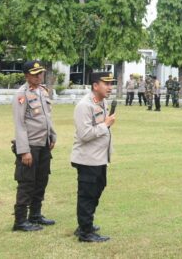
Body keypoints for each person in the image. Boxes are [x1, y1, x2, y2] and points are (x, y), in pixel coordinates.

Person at [11, 60, 57, 232]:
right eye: (35, 73)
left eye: (41, 73)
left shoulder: (42, 91)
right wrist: (24, 151)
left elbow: (47, 117)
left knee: (41, 180)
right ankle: (20, 220)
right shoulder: (21, 94)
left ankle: (35, 215)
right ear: (26, 75)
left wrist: (52, 135)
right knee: (27, 183)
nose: (39, 76)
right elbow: (20, 123)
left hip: (44, 144)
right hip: (30, 146)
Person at [71, 71, 116, 242]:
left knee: (97, 189)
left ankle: (84, 224)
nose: (110, 87)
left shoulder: (101, 102)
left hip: (99, 158)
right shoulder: (84, 105)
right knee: (87, 194)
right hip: (87, 158)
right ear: (95, 85)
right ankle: (85, 232)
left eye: (111, 84)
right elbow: (85, 134)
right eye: (107, 84)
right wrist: (106, 125)